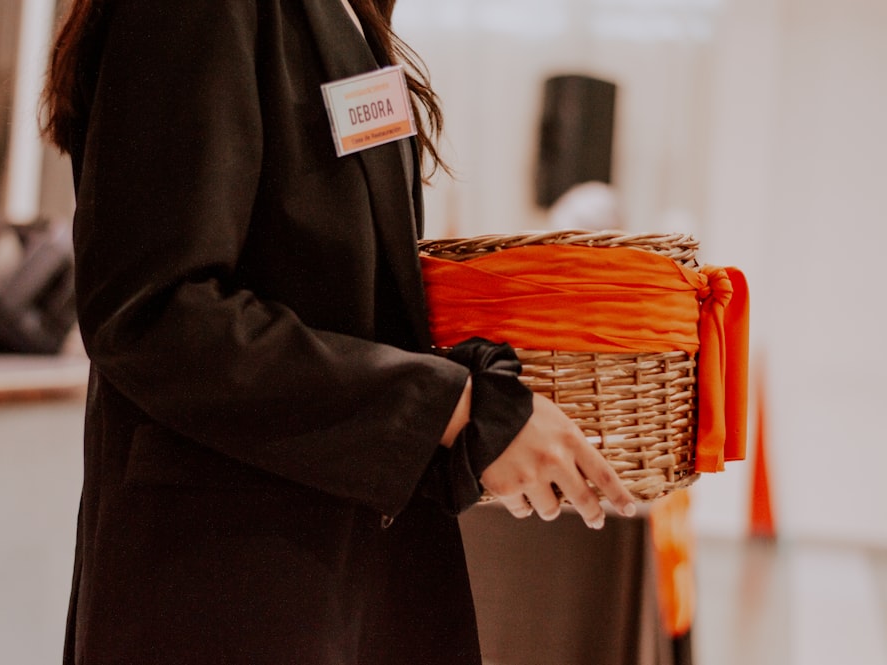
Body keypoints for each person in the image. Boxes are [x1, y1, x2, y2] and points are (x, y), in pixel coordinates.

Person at [41, 1, 636, 663]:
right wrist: (448, 406)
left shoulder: (346, 13)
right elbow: (155, 314)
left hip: (335, 570)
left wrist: (478, 387)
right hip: (227, 587)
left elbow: (328, 292)